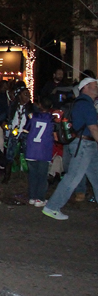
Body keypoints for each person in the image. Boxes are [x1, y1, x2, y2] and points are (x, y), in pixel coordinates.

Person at [42, 77, 98, 220]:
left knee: (96, 177)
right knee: (73, 177)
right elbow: (93, 128)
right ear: (85, 87)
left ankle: (52, 206)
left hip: (86, 145)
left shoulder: (83, 103)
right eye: (94, 85)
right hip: (84, 145)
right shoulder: (86, 104)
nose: (97, 87)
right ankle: (52, 207)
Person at [24, 97, 54, 207]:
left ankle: (32, 197)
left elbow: (26, 130)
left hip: (32, 150)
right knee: (42, 176)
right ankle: (40, 198)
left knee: (32, 175)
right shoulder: (52, 119)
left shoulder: (32, 116)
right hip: (44, 151)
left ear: (39, 105)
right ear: (51, 107)